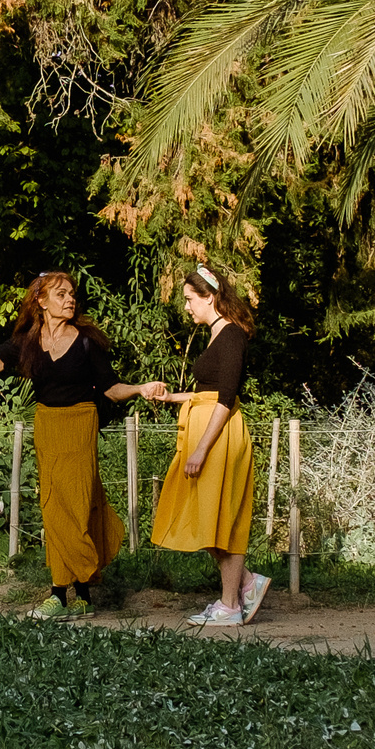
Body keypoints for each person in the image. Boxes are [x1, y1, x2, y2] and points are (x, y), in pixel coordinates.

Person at [0, 272, 156, 620]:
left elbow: (111, 389)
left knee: (78, 506)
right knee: (53, 506)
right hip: (47, 426)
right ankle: (65, 595)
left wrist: (140, 388)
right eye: (61, 294)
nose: (70, 299)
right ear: (41, 301)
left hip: (80, 425)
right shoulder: (26, 342)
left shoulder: (87, 342)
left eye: (72, 294)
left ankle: (78, 592)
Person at [145, 264, 263, 626]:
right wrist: (172, 398)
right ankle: (246, 584)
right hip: (206, 431)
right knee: (203, 514)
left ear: (209, 297)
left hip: (219, 437)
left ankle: (230, 604)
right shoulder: (215, 334)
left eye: (189, 299)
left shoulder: (231, 335)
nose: (186, 306)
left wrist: (201, 449)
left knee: (219, 515)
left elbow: (225, 399)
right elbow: (206, 393)